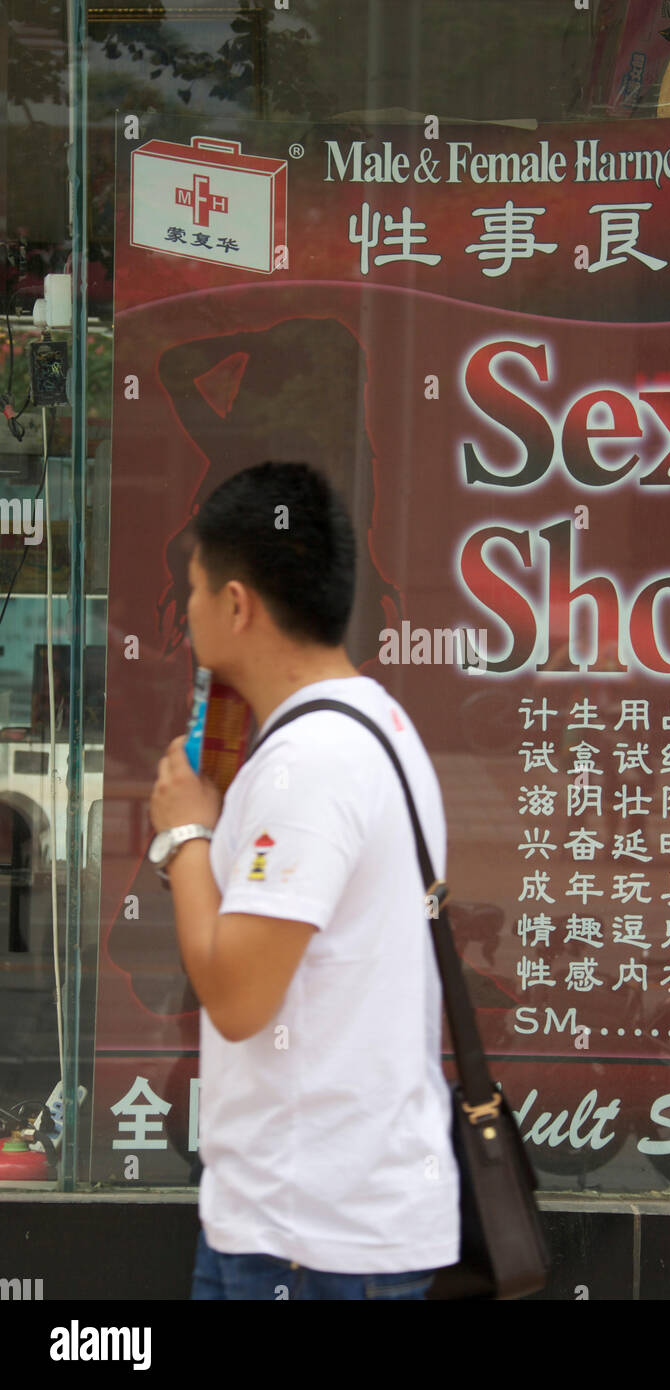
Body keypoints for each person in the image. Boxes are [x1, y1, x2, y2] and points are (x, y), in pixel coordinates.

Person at [148, 460, 460, 1300]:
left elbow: (240, 999)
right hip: (332, 1225)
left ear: (239, 604)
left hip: (308, 1241)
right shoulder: (379, 725)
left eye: (196, 589)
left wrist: (183, 833)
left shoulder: (311, 763)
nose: (187, 613)